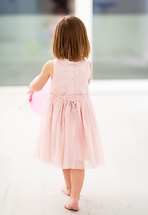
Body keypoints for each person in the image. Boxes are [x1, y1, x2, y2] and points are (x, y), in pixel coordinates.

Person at [29, 15, 105, 211]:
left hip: (60, 118)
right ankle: (75, 196)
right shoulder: (88, 65)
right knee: (77, 156)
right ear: (83, 40)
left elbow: (37, 85)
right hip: (81, 117)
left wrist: (31, 85)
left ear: (57, 40)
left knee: (64, 152)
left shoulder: (51, 65)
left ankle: (70, 188)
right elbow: (84, 87)